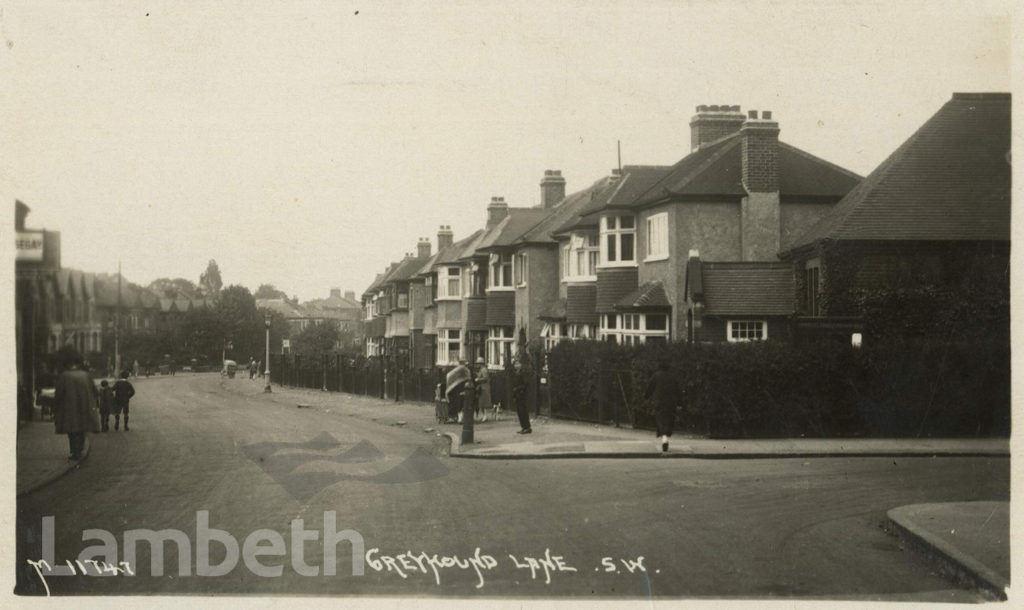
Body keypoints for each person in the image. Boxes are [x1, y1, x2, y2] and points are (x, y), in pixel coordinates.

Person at [53, 347, 100, 460]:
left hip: (70, 408)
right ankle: (79, 449)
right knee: (82, 429)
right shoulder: (86, 375)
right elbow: (95, 391)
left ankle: (74, 452)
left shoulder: (64, 376)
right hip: (84, 407)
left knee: (71, 430)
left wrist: (56, 405)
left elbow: (59, 393)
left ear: (68, 364)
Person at [645, 360, 682, 452]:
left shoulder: (655, 376)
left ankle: (664, 439)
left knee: (661, 420)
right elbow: (678, 391)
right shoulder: (673, 377)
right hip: (671, 403)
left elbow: (649, 388)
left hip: (659, 402)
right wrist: (680, 403)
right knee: (669, 420)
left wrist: (646, 397)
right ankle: (666, 438)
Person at [512, 359, 531, 434]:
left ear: (521, 365)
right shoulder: (516, 373)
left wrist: (518, 389)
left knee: (523, 411)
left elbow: (525, 384)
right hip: (517, 394)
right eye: (515, 364)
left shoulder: (523, 373)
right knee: (519, 411)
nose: (516, 365)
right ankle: (523, 427)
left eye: (518, 364)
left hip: (522, 394)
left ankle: (527, 427)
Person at [474, 357, 491, 422]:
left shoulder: (484, 369)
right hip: (482, 388)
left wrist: (478, 379)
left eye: (478, 363)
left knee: (484, 403)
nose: (477, 365)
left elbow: (485, 378)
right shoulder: (481, 369)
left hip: (484, 388)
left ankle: (485, 416)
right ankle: (484, 416)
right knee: (481, 403)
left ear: (481, 363)